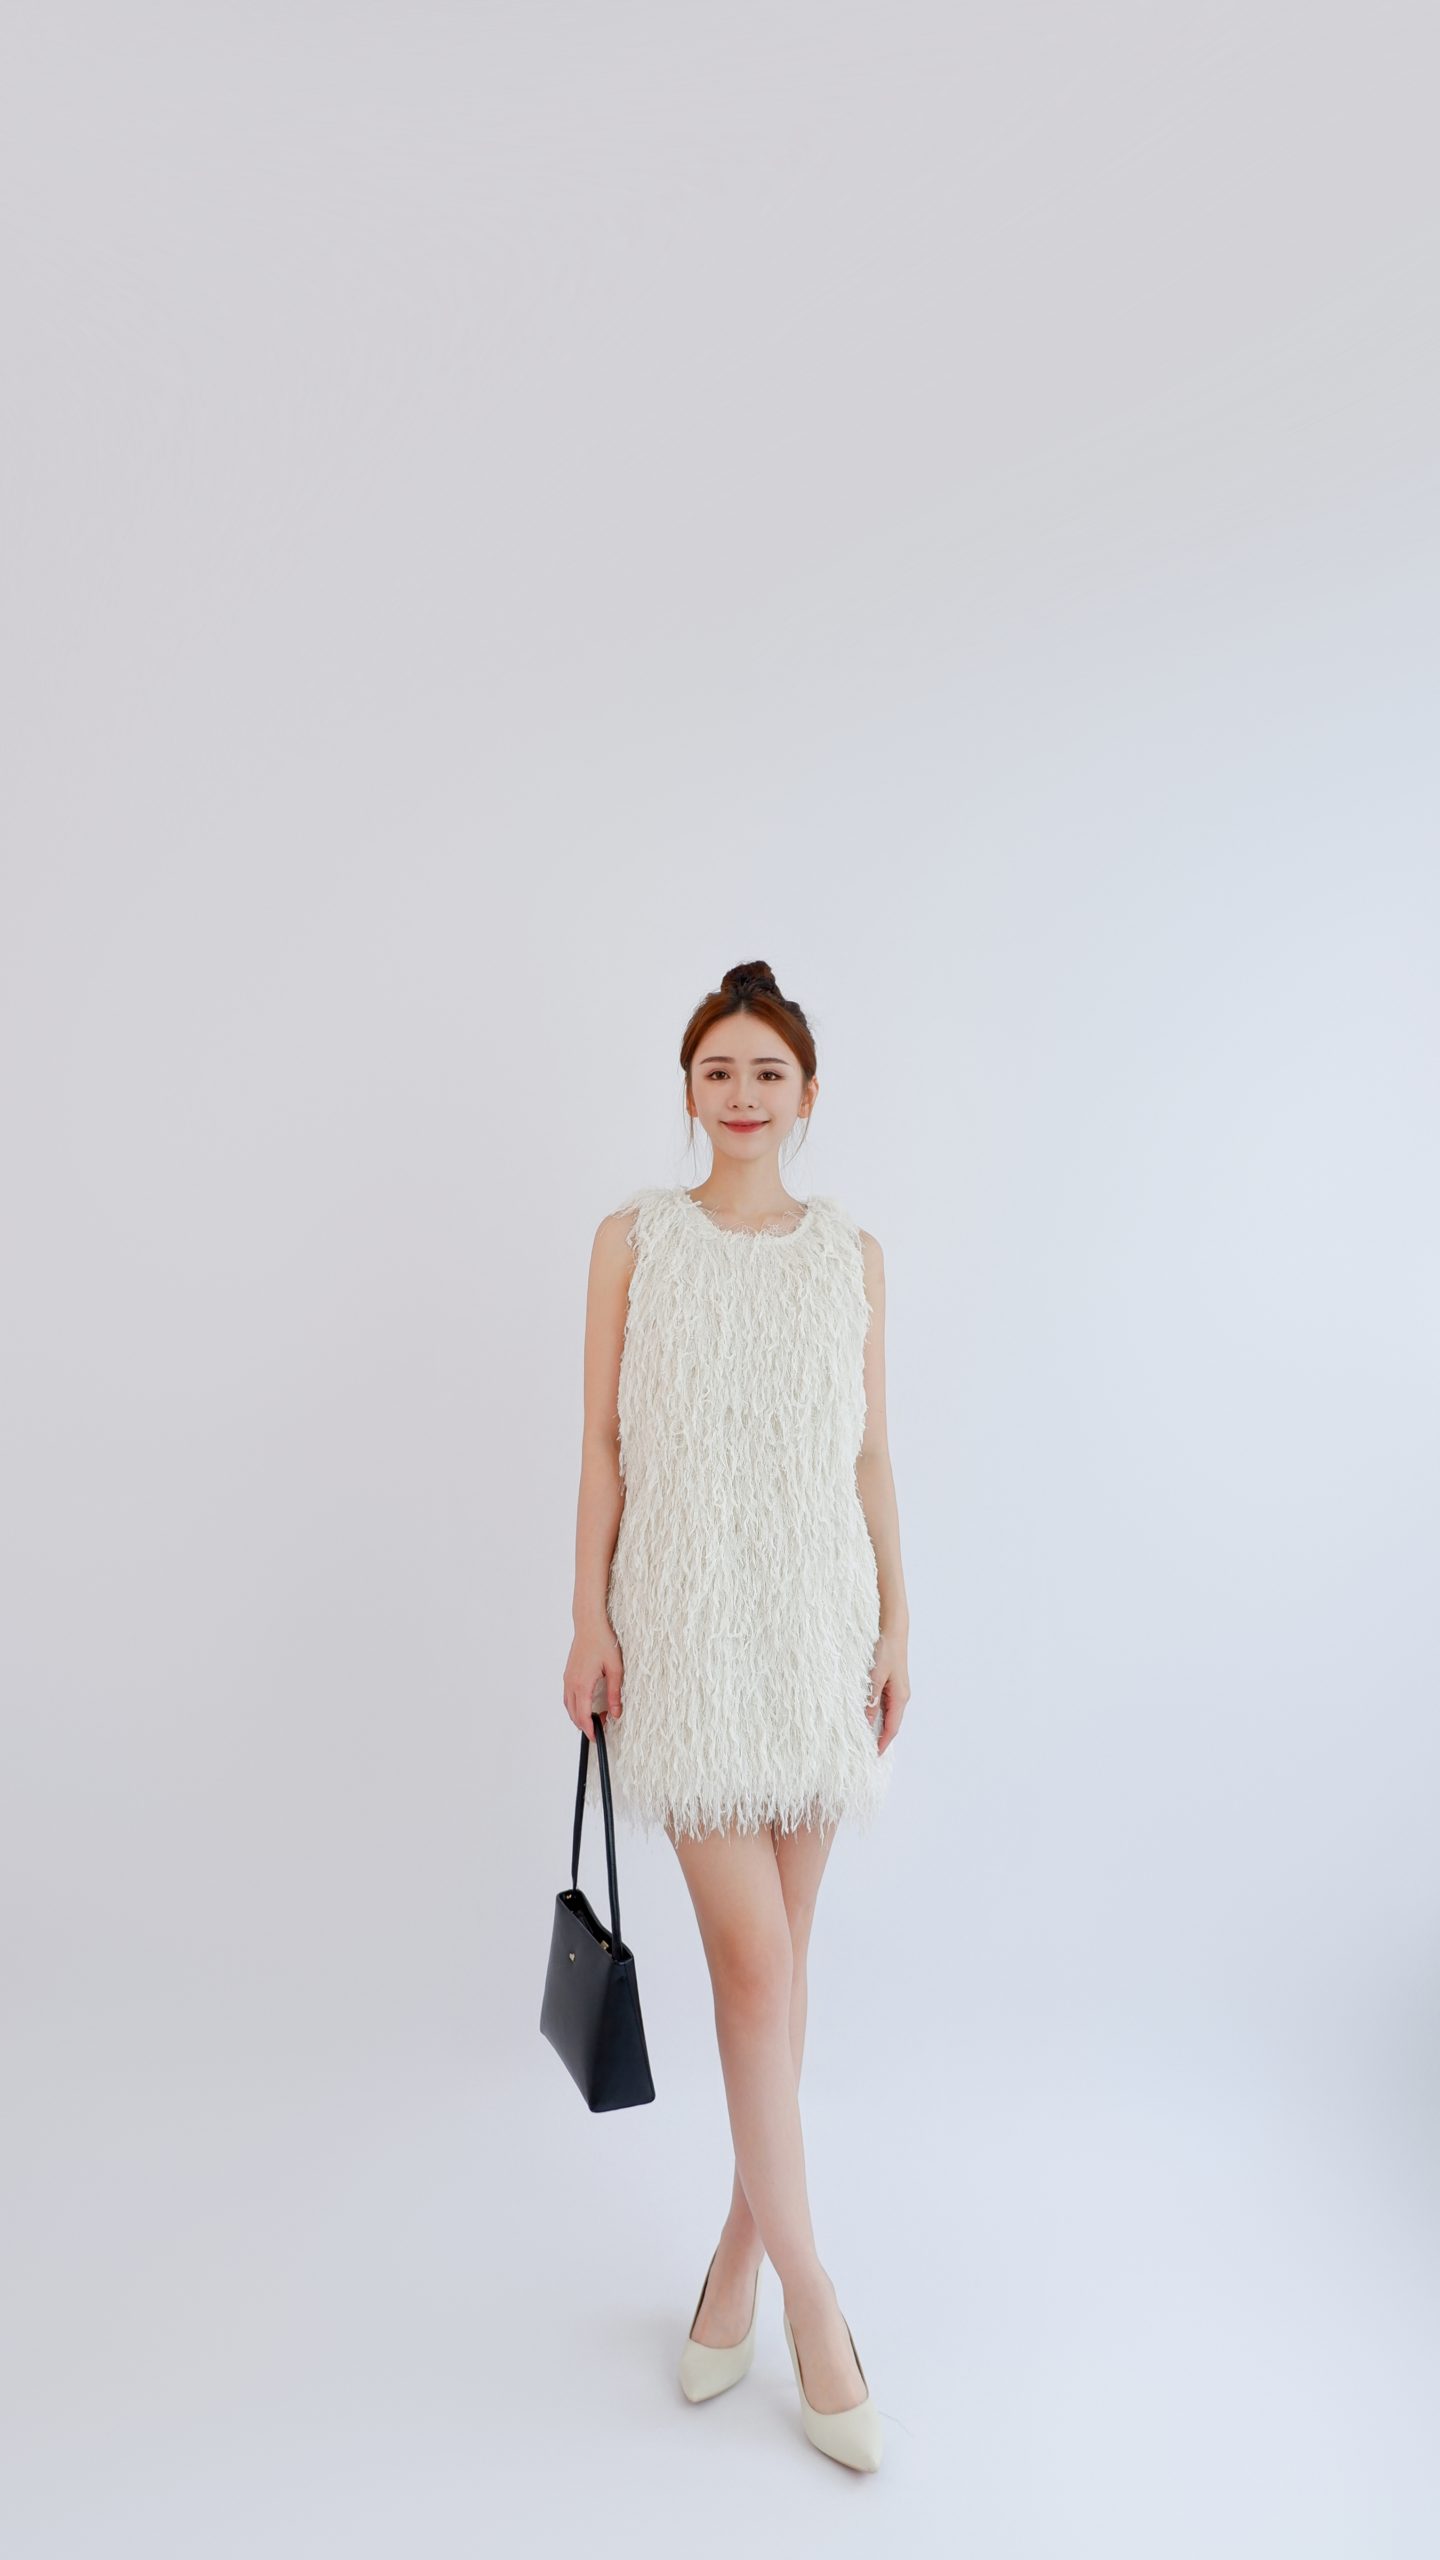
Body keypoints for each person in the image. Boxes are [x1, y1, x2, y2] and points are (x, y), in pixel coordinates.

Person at [562, 959, 910, 2473]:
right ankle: (815, 2301)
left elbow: (870, 1455)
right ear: (690, 1090)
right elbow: (599, 1445)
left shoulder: (852, 1257)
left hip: (819, 1629)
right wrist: (589, 1617)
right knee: (753, 1970)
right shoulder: (633, 1241)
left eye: (770, 1072)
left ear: (808, 1093)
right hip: (690, 1636)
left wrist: (899, 1620)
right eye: (721, 1070)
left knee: (785, 1970)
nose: (745, 1094)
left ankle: (735, 2258)